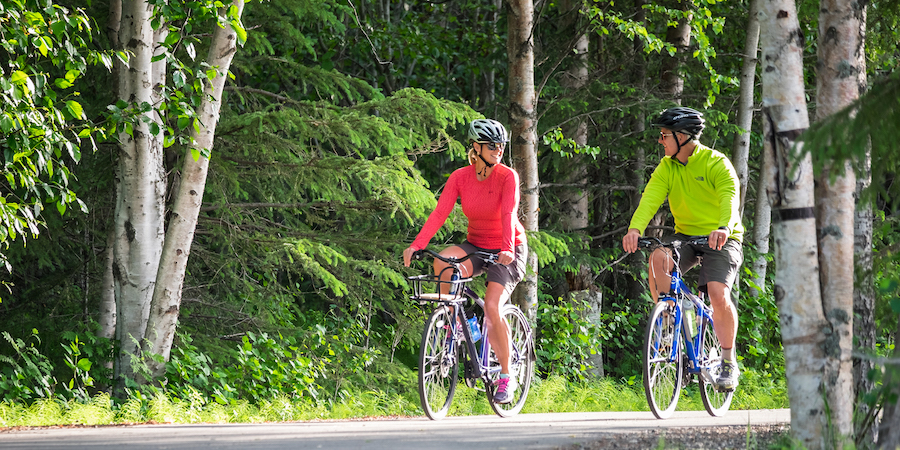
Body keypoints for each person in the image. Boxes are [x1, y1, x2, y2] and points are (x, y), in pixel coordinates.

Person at [403, 118, 528, 404]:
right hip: (477, 245)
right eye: (492, 145)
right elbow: (439, 214)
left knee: (493, 306)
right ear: (476, 147)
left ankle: (506, 376)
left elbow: (509, 214)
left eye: (501, 145)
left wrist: (507, 248)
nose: (499, 150)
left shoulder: (507, 176)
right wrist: (417, 245)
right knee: (443, 261)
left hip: (508, 248)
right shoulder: (460, 177)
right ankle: (452, 320)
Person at [621, 107, 744, 391]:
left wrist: (723, 227)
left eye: (664, 135)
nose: (661, 140)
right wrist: (635, 229)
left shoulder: (717, 163)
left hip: (723, 236)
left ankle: (727, 361)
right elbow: (650, 198)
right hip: (687, 235)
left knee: (717, 292)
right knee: (658, 258)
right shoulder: (667, 167)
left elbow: (729, 198)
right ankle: (669, 321)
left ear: (683, 137)